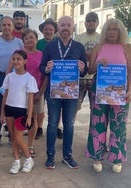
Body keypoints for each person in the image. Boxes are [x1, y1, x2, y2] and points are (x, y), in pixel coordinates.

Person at [85, 18, 131, 173]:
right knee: (97, 125)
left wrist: (130, 90)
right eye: (109, 29)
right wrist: (99, 62)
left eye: (115, 29)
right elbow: (90, 70)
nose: (112, 32)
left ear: (120, 32)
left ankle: (117, 158)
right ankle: (97, 157)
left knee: (118, 126)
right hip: (99, 92)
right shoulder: (99, 47)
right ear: (105, 31)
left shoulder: (127, 48)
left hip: (120, 93)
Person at [39, 16, 87, 169]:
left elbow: (84, 71)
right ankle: (50, 156)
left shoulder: (79, 47)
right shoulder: (50, 46)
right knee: (52, 124)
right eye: (62, 25)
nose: (65, 28)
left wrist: (82, 68)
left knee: (69, 124)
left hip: (71, 94)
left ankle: (67, 156)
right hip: (54, 93)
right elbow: (41, 67)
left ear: (73, 28)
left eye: (68, 25)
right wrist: (46, 69)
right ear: (58, 28)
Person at [0, 50, 38, 174]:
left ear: (25, 61)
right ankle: (16, 160)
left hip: (21, 111)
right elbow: (5, 95)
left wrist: (29, 115)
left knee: (18, 137)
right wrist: (2, 112)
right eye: (14, 59)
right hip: (9, 109)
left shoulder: (29, 78)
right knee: (12, 136)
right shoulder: (9, 77)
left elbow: (30, 99)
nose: (16, 61)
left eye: (19, 59)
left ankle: (28, 159)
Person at [0, 16, 24, 149]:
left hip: (15, 78)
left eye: (8, 25)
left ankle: (12, 136)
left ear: (12, 27)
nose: (6, 27)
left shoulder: (19, 43)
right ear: (0, 28)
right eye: (3, 25)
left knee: (13, 107)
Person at [36, 18, 63, 140]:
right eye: (46, 29)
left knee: (57, 105)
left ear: (54, 31)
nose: (48, 31)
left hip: (56, 79)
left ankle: (57, 127)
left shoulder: (60, 43)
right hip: (40, 77)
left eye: (50, 29)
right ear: (42, 31)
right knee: (40, 104)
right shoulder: (38, 43)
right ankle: (39, 127)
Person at [21, 29, 47, 157]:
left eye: (32, 37)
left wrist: (40, 93)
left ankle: (30, 145)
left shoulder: (42, 55)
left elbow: (45, 76)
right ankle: (19, 144)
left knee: (34, 118)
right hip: (20, 92)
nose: (29, 40)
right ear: (23, 41)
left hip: (36, 91)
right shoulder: (19, 54)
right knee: (20, 119)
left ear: (37, 39)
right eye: (26, 38)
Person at [74, 12, 100, 113]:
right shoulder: (78, 38)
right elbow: (75, 56)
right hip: (80, 78)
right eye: (88, 20)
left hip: (96, 78)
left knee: (95, 109)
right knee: (74, 108)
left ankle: (93, 129)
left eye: (94, 20)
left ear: (98, 23)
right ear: (85, 23)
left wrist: (90, 54)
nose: (91, 22)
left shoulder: (102, 38)